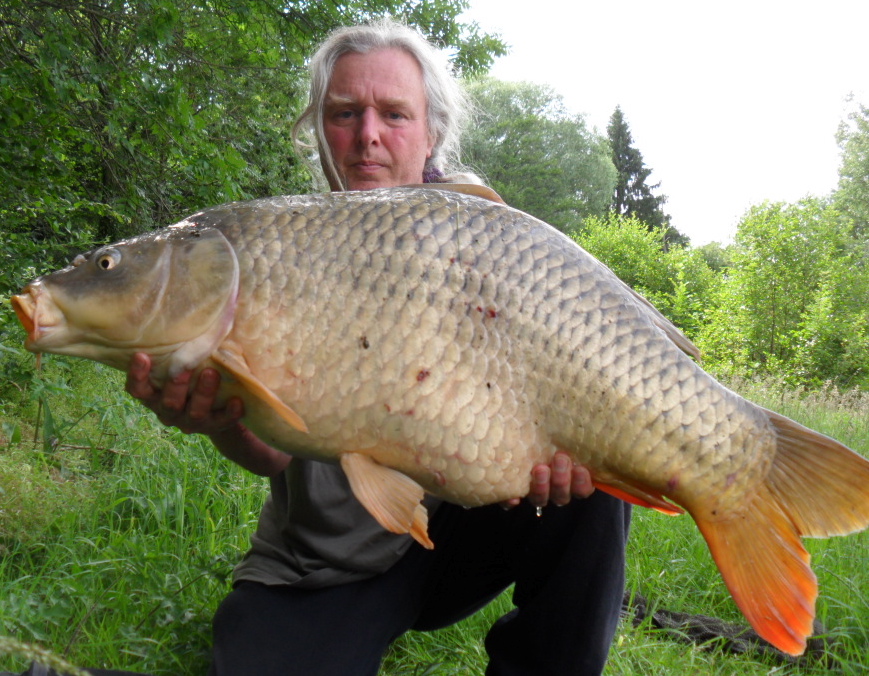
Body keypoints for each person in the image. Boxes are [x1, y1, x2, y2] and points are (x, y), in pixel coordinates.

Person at [124, 19, 631, 676]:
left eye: (394, 114)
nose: (368, 134)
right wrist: (217, 417)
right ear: (319, 129)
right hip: (329, 560)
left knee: (601, 464)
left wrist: (550, 460)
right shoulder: (277, 250)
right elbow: (272, 451)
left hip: (463, 528)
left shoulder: (488, 243)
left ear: (430, 134)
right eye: (345, 113)